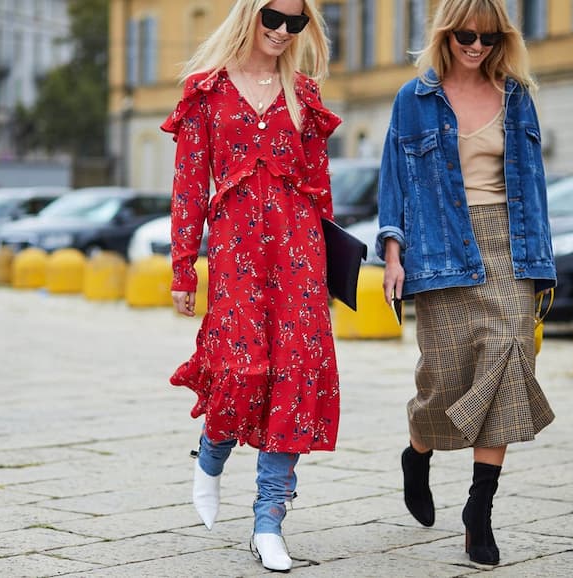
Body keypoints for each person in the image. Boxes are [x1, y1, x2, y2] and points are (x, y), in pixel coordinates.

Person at [161, 0, 340, 572]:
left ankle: (269, 519)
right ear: (248, 15)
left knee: (295, 375)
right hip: (237, 253)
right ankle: (211, 456)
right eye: (274, 17)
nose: (284, 31)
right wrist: (183, 267)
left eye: (296, 22)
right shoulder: (206, 92)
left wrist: (335, 271)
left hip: (301, 255)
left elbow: (320, 190)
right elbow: (189, 186)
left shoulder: (305, 94)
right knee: (241, 369)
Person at [376, 0, 556, 566]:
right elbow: (393, 181)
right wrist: (391, 253)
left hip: (509, 244)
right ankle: (418, 450)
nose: (476, 47)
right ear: (445, 35)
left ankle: (479, 512)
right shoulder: (413, 100)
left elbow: (536, 181)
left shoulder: (515, 95)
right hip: (439, 248)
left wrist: (542, 261)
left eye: (488, 37)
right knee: (444, 382)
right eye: (465, 37)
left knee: (506, 362)